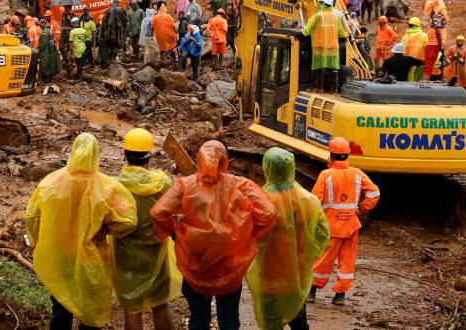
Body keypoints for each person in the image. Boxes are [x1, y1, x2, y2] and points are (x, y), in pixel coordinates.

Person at [153, 141, 276, 330]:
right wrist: (247, 235)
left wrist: (175, 232)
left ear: (200, 159)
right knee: (229, 320)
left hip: (195, 263)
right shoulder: (240, 184)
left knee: (198, 319)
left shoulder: (185, 185)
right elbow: (268, 213)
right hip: (230, 266)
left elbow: (158, 213)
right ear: (225, 161)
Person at [27, 133, 137, 330]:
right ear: (97, 155)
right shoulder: (108, 186)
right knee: (90, 309)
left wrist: (38, 242)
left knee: (61, 305)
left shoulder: (51, 182)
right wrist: (108, 228)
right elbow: (128, 221)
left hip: (60, 254)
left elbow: (32, 216)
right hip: (92, 256)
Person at [248, 148, 330, 330]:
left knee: (271, 324)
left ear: (267, 168)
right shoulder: (308, 200)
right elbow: (323, 232)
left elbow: (248, 235)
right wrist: (311, 251)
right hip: (298, 273)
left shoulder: (260, 200)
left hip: (269, 274)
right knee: (299, 322)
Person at [113, 129, 181, 330]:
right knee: (160, 305)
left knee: (132, 309)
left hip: (126, 253)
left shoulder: (116, 185)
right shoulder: (162, 182)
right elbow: (174, 212)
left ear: (125, 154)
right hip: (156, 249)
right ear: (149, 156)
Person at [310, 137, 380, 305]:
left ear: (331, 155)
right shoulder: (357, 173)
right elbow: (374, 193)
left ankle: (311, 292)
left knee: (322, 260)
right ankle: (340, 296)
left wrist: (314, 221)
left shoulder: (325, 175)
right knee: (347, 262)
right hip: (351, 226)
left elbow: (314, 201)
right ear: (347, 155)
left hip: (331, 227)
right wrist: (361, 209)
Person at [302, 0, 349, 92]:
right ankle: (333, 90)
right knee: (333, 67)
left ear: (323, 4)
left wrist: (304, 31)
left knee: (318, 67)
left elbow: (306, 31)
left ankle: (319, 88)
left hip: (319, 46)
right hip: (332, 47)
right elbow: (341, 31)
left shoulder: (317, 16)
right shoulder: (336, 17)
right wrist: (347, 35)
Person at [400, 17, 427, 81]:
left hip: (407, 64)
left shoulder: (404, 37)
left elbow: (400, 51)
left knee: (409, 81)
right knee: (419, 83)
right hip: (420, 63)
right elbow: (429, 50)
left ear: (409, 25)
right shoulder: (424, 36)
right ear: (419, 25)